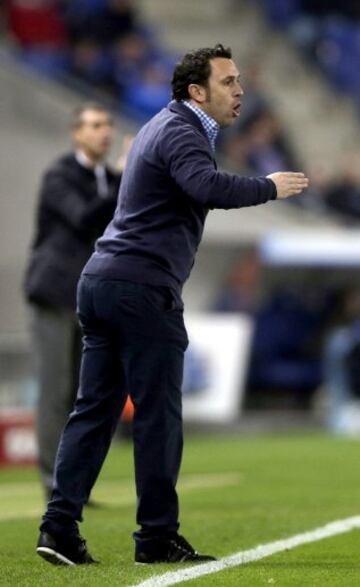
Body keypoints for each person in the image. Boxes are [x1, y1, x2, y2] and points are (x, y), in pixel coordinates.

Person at [36, 43, 309, 566]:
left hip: (103, 281)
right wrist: (266, 187)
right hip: (140, 288)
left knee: (93, 411)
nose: (240, 92)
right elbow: (204, 185)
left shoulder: (159, 127)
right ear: (196, 91)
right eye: (228, 82)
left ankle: (59, 527)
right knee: (158, 416)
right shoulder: (183, 131)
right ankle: (156, 536)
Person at [24, 103, 128, 500]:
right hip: (53, 294)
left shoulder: (106, 179)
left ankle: (71, 483)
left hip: (89, 298)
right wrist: (122, 176)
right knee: (56, 390)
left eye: (109, 124)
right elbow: (84, 218)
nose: (105, 131)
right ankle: (53, 480)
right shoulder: (60, 175)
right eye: (96, 125)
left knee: (82, 395)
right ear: (76, 132)